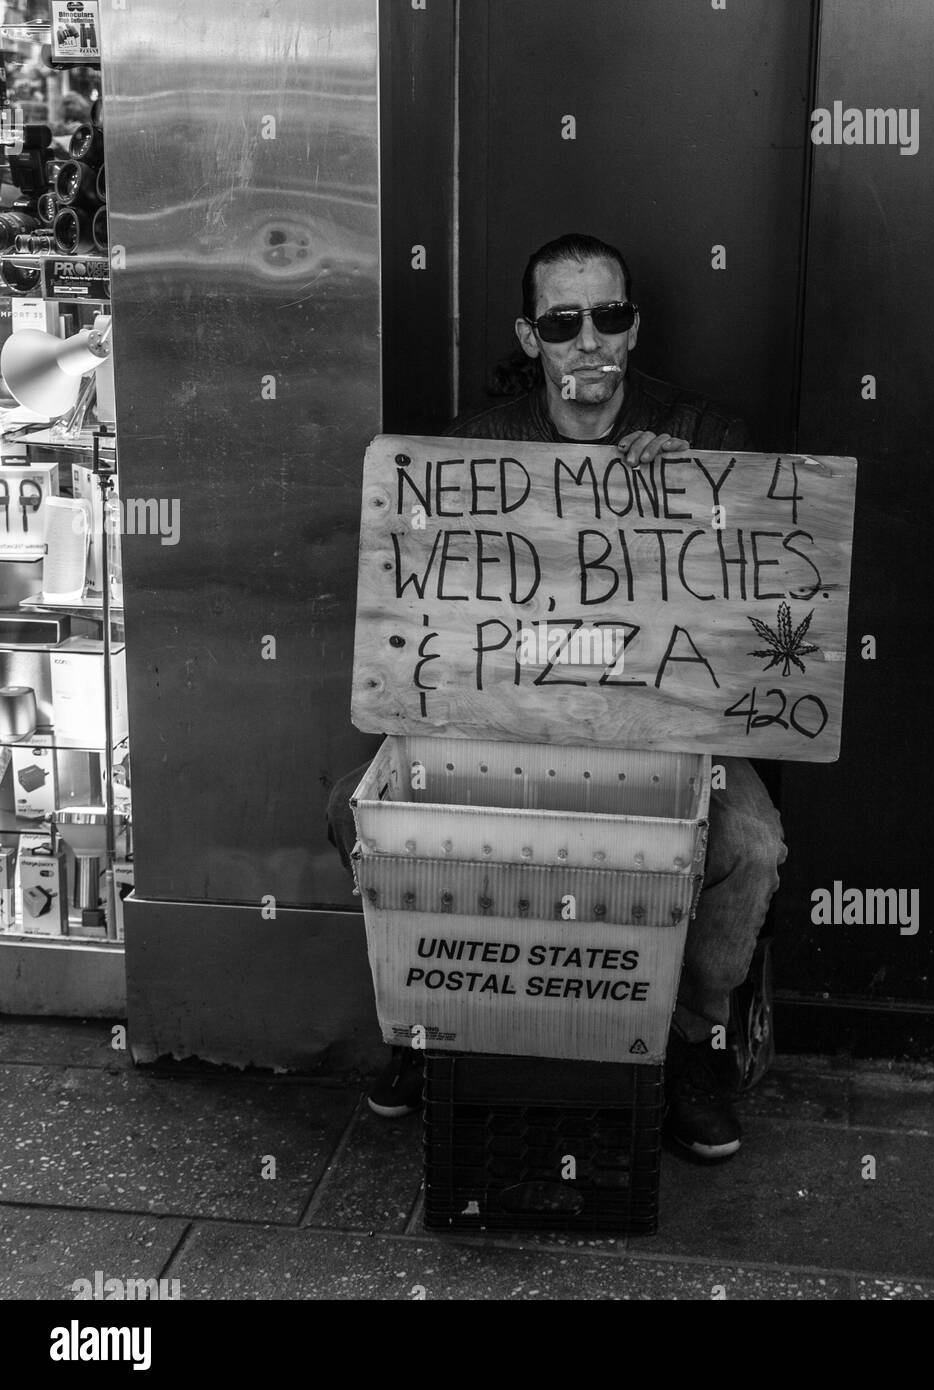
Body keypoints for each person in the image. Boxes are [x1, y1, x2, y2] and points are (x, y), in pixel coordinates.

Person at [327, 232, 788, 1160]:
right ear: (530, 337)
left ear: (634, 327)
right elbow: (419, 596)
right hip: (507, 718)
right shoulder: (471, 447)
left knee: (749, 844)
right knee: (356, 810)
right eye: (562, 322)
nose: (589, 341)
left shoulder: (706, 440)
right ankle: (432, 1022)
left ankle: (693, 1043)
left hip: (665, 729)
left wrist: (693, 499)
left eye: (608, 317)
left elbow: (766, 589)